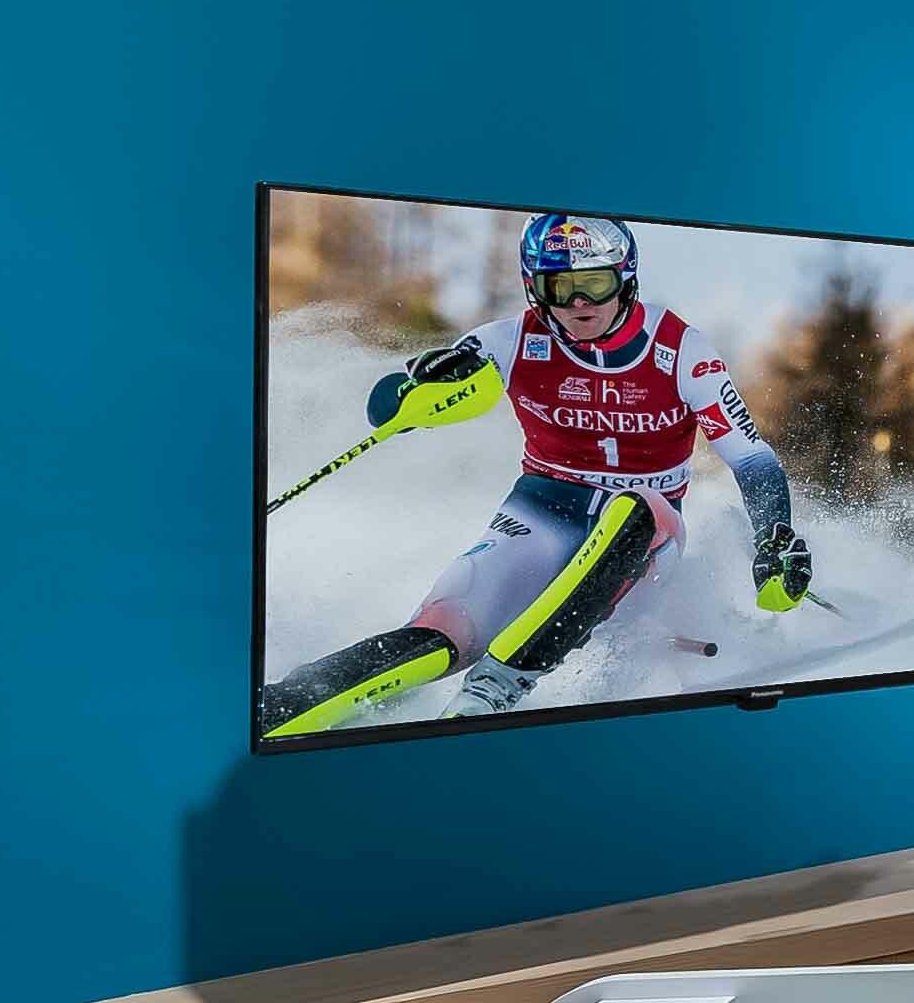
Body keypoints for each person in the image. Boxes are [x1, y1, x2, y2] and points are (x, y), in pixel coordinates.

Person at [260, 212, 813, 737]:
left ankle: (495, 687)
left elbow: (751, 458)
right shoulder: (511, 340)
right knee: (444, 629)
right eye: (558, 288)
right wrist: (420, 387)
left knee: (636, 507)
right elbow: (385, 410)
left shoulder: (680, 349)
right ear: (533, 288)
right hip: (541, 512)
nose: (578, 303)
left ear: (626, 280)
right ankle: (282, 707)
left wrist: (774, 535)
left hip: (648, 534)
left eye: (594, 284)